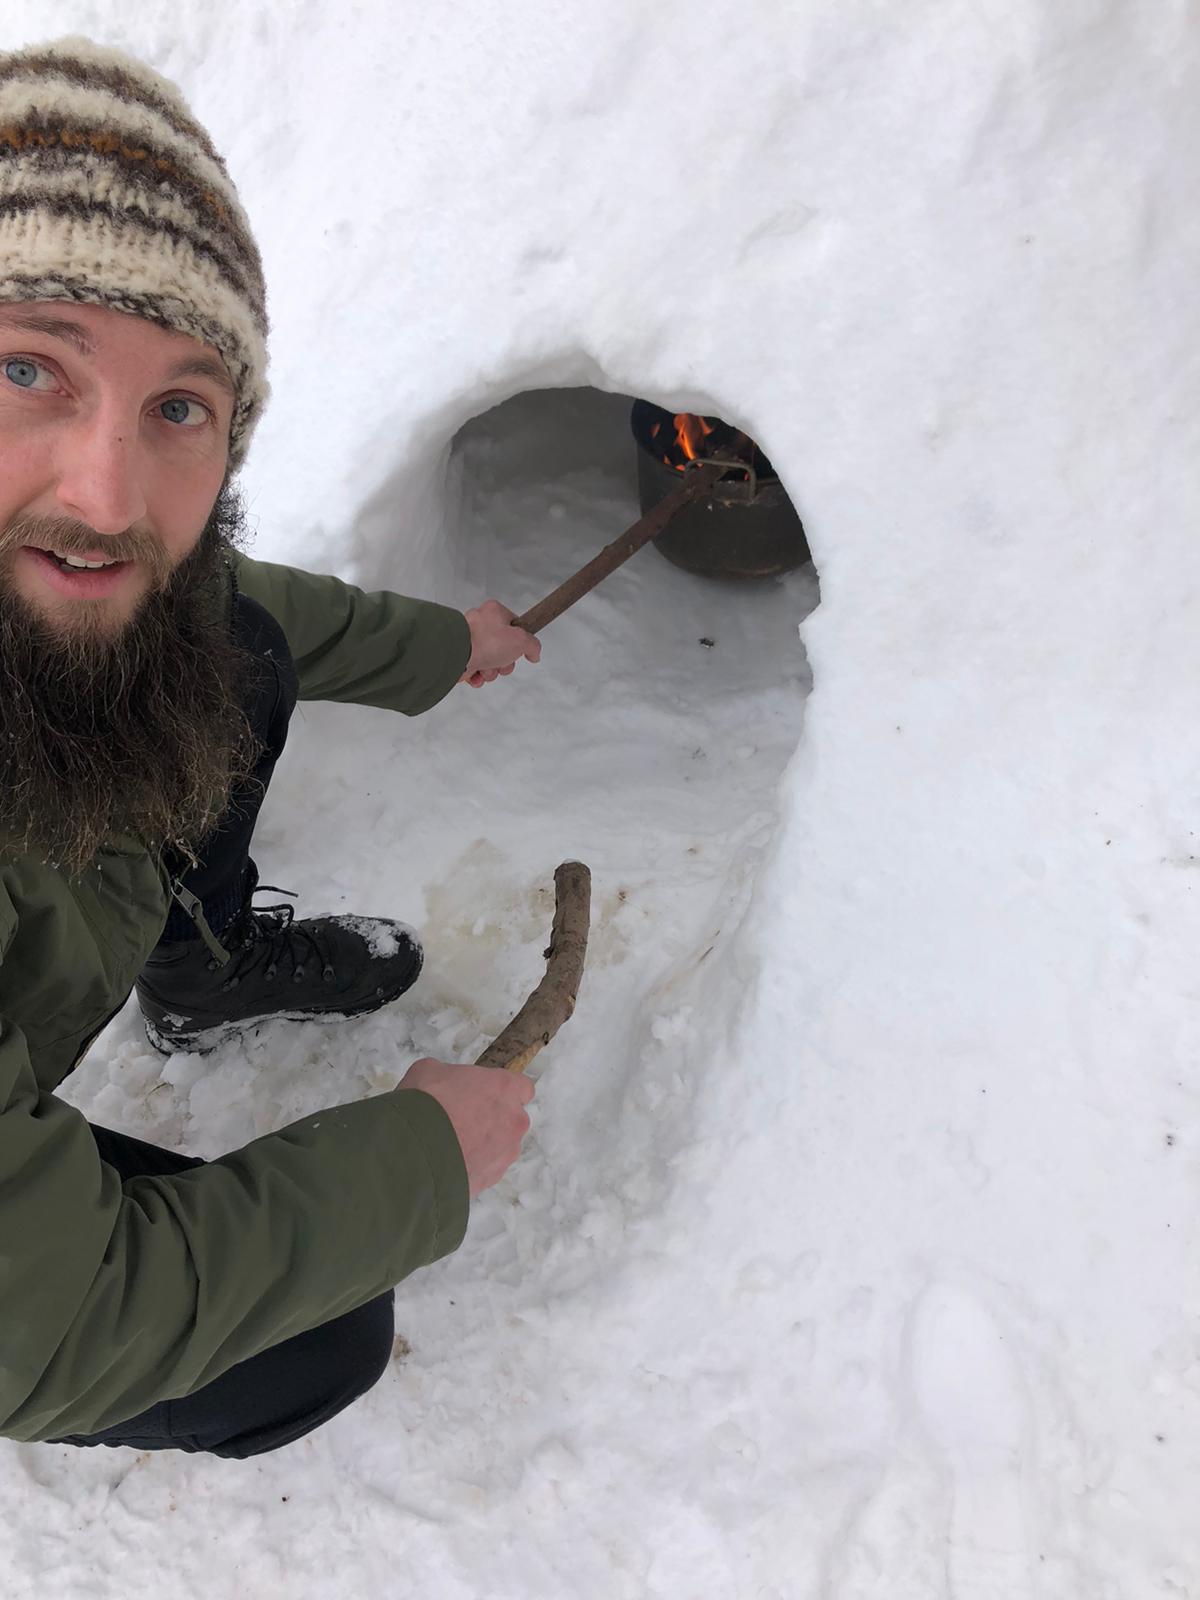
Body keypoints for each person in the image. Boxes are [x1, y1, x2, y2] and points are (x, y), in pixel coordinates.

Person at [0, 36, 539, 1457]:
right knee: (310, 1335)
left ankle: (202, 971)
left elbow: (217, 594)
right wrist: (424, 1155)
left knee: (222, 659)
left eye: (179, 404)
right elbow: (54, 1331)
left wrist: (441, 642)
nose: (106, 492)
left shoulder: (92, 567)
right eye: (27, 366)